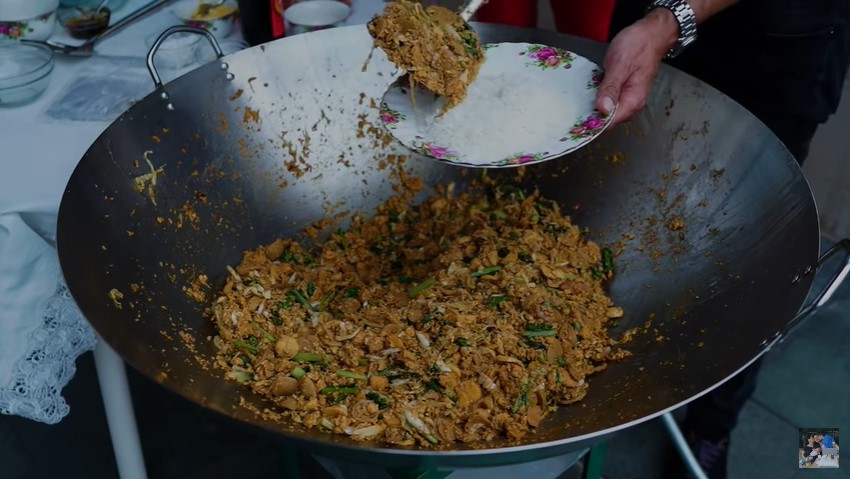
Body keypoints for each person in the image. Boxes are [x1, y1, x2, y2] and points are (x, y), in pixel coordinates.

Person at [476, 1, 850, 478]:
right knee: (618, 184)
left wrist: (674, 19)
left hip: (772, 49)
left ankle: (711, 429)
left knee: (748, 273)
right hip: (649, 20)